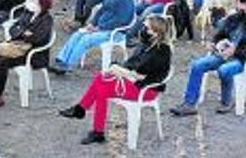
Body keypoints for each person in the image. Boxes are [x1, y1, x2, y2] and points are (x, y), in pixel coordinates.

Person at [59, 15, 172, 145]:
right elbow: (131, 64)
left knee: (102, 85)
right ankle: (89, 121)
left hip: (146, 89)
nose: (142, 29)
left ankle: (89, 121)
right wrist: (117, 68)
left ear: (155, 32)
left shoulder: (162, 50)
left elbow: (144, 76)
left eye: (146, 27)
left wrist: (122, 72)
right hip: (133, 81)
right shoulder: (146, 44)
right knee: (101, 78)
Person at [171, 0, 246, 115]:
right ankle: (189, 104)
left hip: (243, 59)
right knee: (197, 65)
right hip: (223, 54)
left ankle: (226, 101)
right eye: (238, 6)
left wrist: (236, 51)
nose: (239, 9)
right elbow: (219, 35)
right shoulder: (233, 18)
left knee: (224, 70)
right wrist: (214, 43)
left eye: (243, 6)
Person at [0, 0, 55, 110]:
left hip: (34, 54)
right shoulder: (27, 13)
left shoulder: (46, 19)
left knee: (3, 62)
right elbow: (13, 29)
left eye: (32, 0)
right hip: (18, 48)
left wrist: (23, 32)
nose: (29, 2)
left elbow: (38, 39)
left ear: (41, 2)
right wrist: (25, 33)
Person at [53, 0, 135, 73]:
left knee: (85, 40)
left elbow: (122, 21)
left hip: (114, 32)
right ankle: (62, 59)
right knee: (77, 34)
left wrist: (100, 27)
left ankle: (68, 65)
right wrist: (92, 24)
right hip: (101, 28)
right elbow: (101, 11)